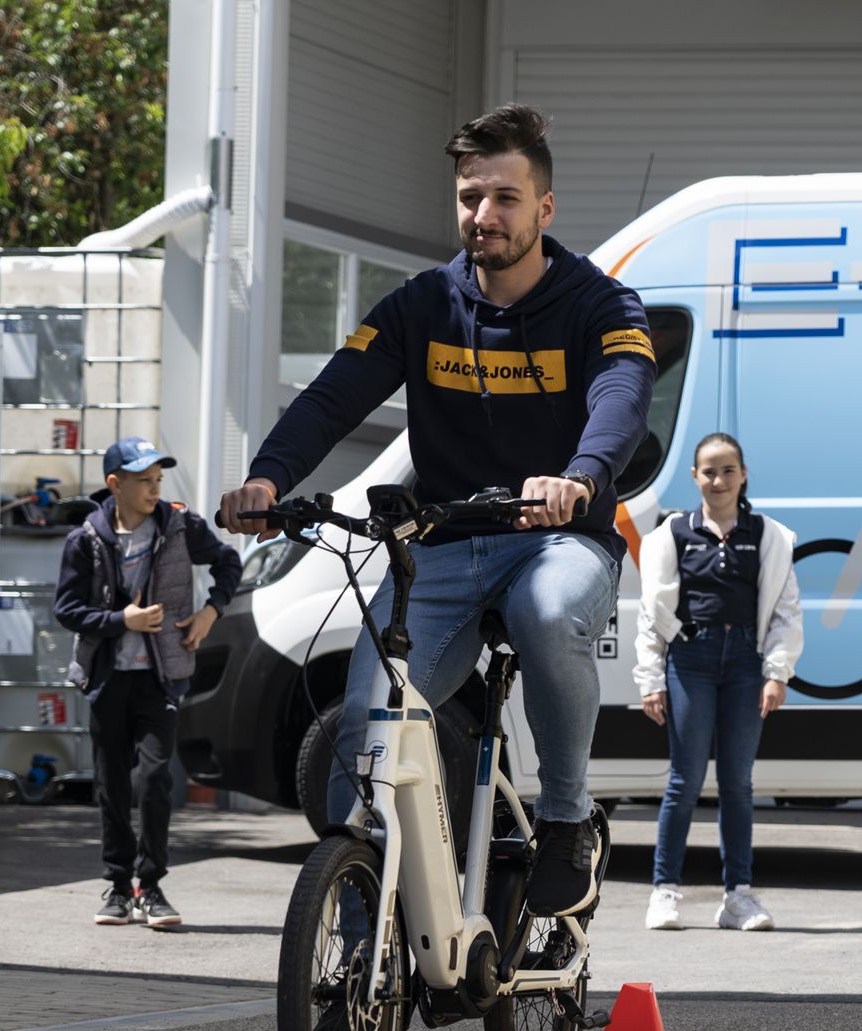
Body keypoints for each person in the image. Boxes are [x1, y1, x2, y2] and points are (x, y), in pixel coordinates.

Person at [220, 105, 654, 917]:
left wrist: (581, 476)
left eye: (505, 198)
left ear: (544, 208)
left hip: (556, 539)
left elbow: (622, 399)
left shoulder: (602, 305)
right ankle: (360, 940)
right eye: (469, 197)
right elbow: (331, 399)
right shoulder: (420, 306)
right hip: (443, 549)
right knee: (368, 718)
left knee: (547, 611)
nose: (484, 214)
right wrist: (268, 480)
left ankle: (566, 820)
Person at [56, 437, 240, 927]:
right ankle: (118, 887)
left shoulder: (180, 526)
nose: (155, 489)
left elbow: (228, 562)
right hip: (106, 680)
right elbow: (66, 609)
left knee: (155, 778)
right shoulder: (85, 540)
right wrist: (123, 621)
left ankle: (151, 886)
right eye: (144, 481)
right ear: (115, 484)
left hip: (162, 678)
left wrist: (210, 613)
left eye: (158, 479)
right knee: (113, 785)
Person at [634, 433, 803, 931]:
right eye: (709, 471)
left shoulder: (768, 535)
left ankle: (738, 897)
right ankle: (665, 891)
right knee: (683, 781)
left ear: (743, 475)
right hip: (691, 659)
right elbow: (652, 612)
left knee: (737, 784)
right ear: (695, 476)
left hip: (747, 662)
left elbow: (787, 610)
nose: (719, 480)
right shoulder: (672, 534)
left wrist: (777, 672)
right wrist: (651, 680)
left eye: (728, 470)